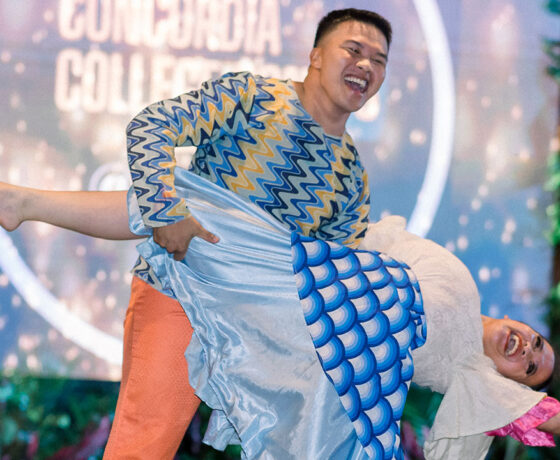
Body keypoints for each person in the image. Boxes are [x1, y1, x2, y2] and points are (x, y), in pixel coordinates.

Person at [3, 8, 393, 459]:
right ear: (316, 56)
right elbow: (151, 126)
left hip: (255, 331)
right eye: (354, 50)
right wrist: (165, 212)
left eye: (378, 60)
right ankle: (24, 204)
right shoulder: (254, 97)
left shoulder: (352, 176)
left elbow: (327, 274)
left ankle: (25, 203)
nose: (365, 65)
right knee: (143, 448)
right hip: (183, 294)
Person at [1, 172, 560, 459]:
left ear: (512, 386)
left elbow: (543, 417)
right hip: (314, 277)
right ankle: (26, 202)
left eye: (531, 368)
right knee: (193, 211)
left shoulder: (472, 378)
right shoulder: (461, 282)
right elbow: (375, 239)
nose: (527, 350)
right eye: (537, 341)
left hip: (334, 347)